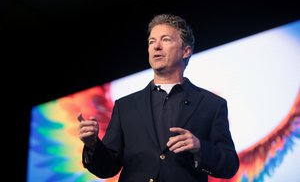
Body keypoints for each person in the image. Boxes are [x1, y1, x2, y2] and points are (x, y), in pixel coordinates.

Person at [78, 14, 239, 182]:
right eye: (151, 41)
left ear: (186, 51)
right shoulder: (125, 106)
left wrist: (199, 147)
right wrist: (92, 144)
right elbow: (107, 168)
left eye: (166, 40)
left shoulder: (211, 104)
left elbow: (229, 165)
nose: (156, 46)